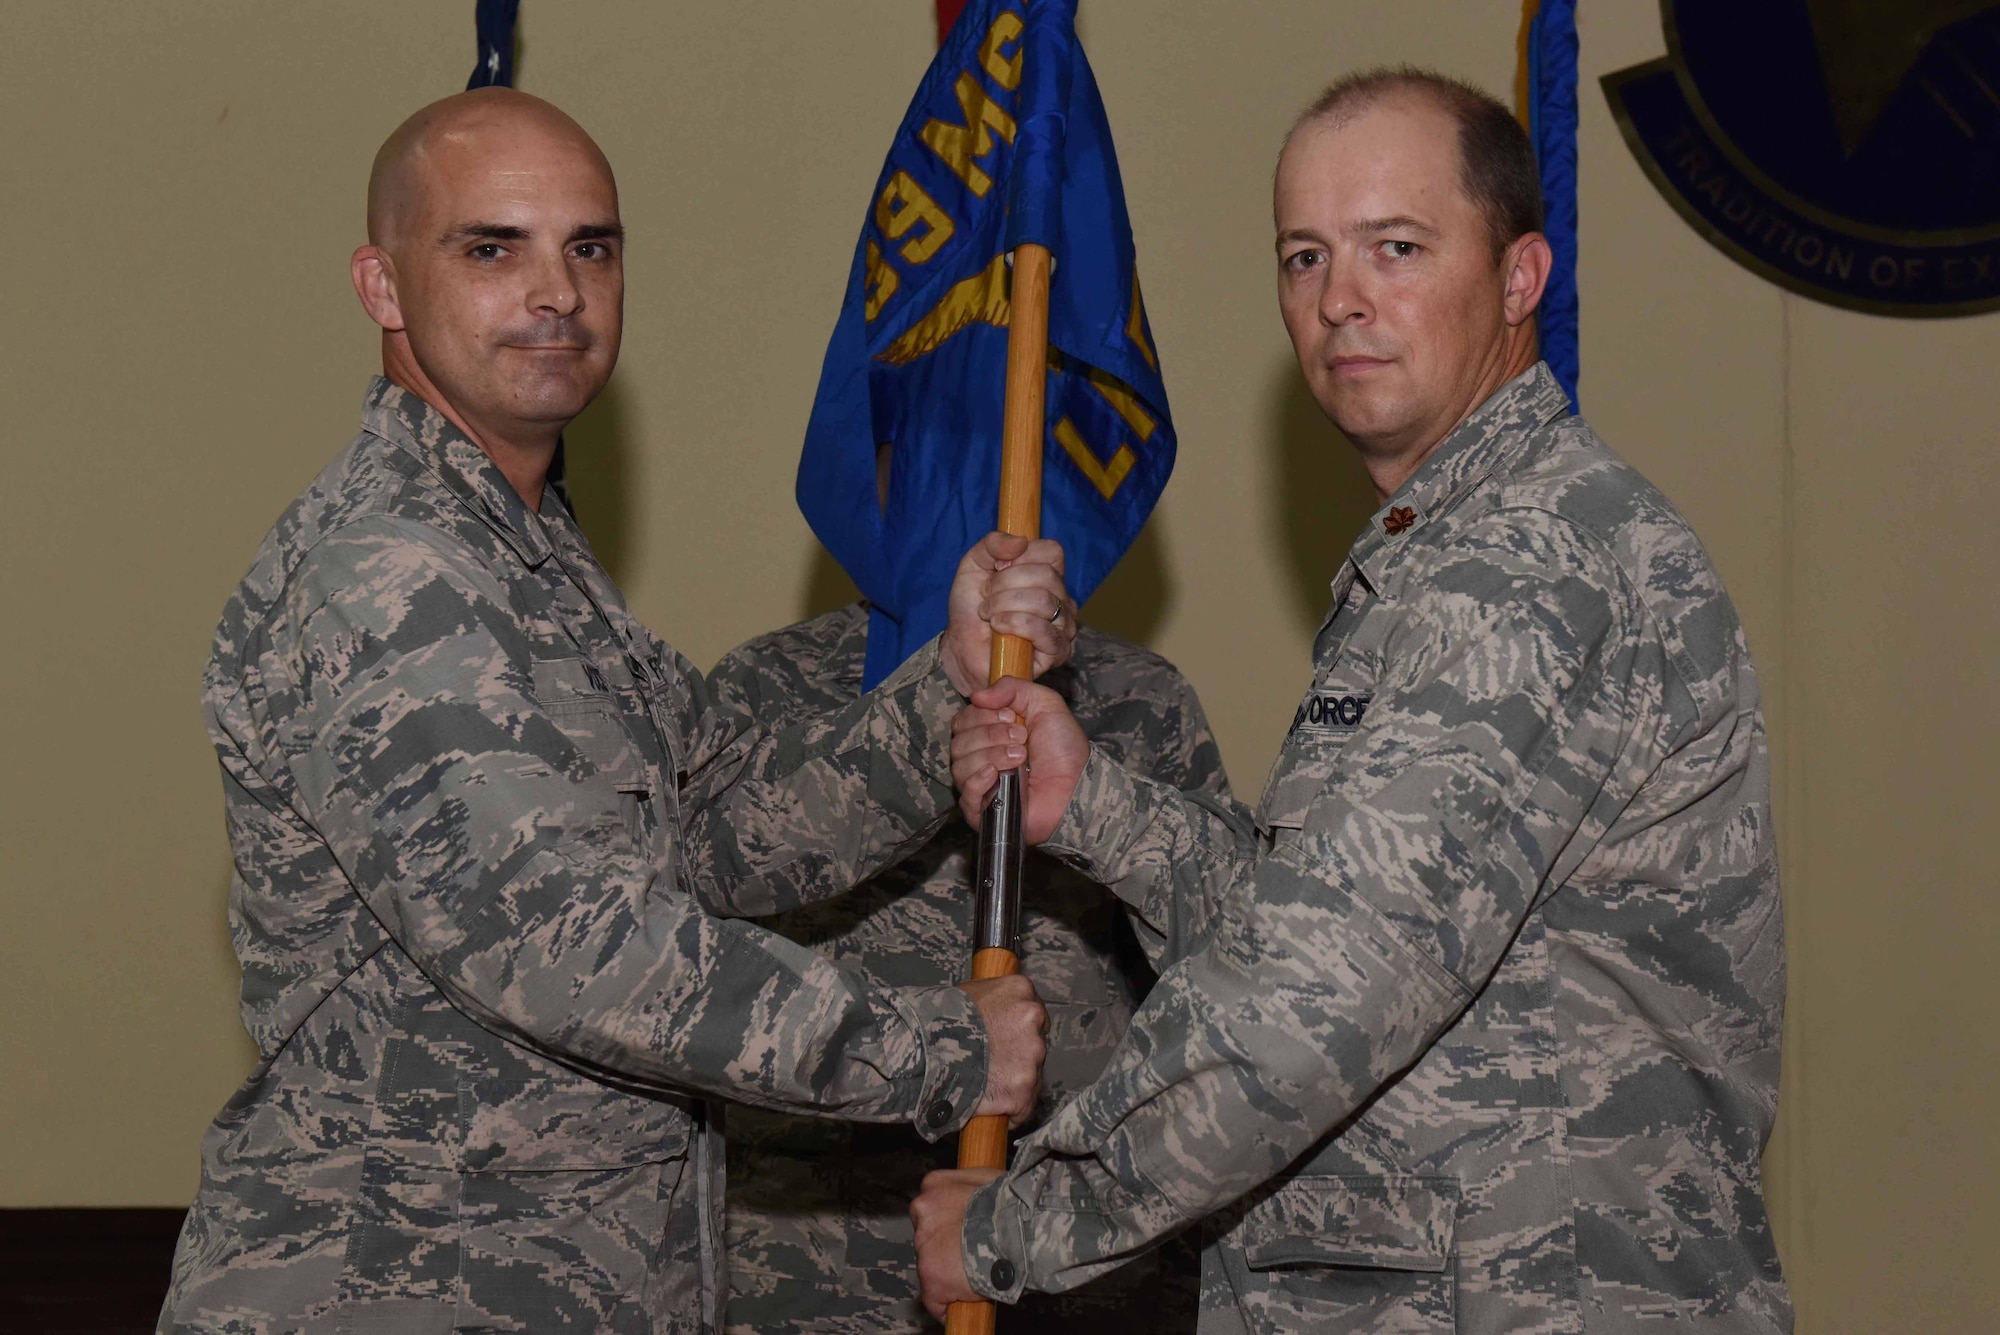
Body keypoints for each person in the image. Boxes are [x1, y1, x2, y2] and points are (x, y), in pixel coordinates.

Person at [161, 88, 1071, 1335]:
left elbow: (706, 836)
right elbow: (569, 943)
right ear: (380, 285)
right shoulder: (390, 572)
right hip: (401, 1284)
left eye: (589, 247)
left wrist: (943, 694)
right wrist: (933, 1052)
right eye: (492, 249)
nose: (557, 293)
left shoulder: (528, 554)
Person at [917, 67, 1791, 1332]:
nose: (1339, 300)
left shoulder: (1523, 563)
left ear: (1519, 278)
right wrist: (1095, 806)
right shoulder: (1447, 552)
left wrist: (1017, 1225)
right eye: (1303, 256)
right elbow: (1335, 921)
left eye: (1396, 247)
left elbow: (1314, 999)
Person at [713, 596, 1224, 1335]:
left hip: (1062, 1262)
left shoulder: (1142, 697)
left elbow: (1201, 1008)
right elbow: (715, 966)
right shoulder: (771, 682)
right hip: (806, 1258)